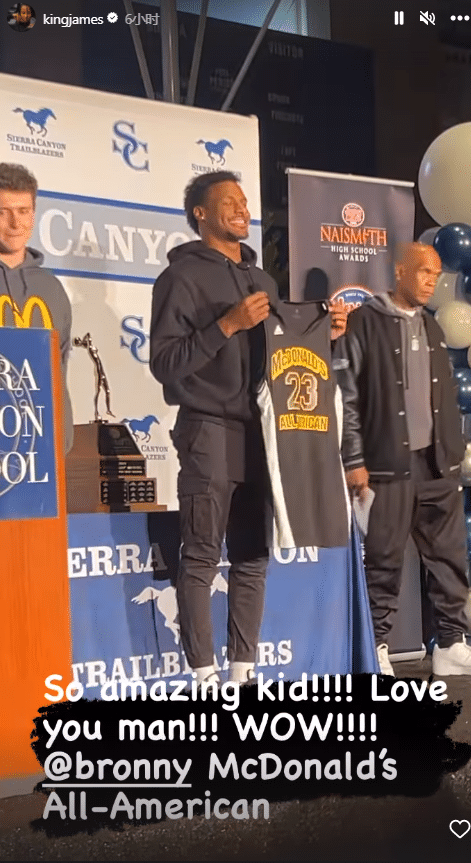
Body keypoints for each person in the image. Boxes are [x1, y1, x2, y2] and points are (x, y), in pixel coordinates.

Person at [336, 241, 471, 676]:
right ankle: (375, 648)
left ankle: (451, 645)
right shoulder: (366, 321)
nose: (431, 282)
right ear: (401, 271)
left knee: (449, 559)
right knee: (384, 560)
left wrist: (453, 455)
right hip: (386, 465)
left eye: (436, 275)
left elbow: (441, 395)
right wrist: (354, 459)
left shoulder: (432, 326)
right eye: (424, 272)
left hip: (436, 465)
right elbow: (346, 395)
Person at [150, 170, 279, 687]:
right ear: (200, 214)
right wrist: (227, 324)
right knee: (202, 554)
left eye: (244, 202)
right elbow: (165, 363)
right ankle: (204, 676)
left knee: (253, 555)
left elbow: (284, 356)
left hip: (261, 433)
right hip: (206, 428)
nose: (242, 209)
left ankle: (242, 673)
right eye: (229, 202)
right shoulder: (180, 278)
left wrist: (326, 335)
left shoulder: (264, 281)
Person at [0, 162, 73, 453]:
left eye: (23, 211)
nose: (15, 224)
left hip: (41, 449)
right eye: (3, 212)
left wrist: (61, 439)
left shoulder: (52, 288)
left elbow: (59, 370)